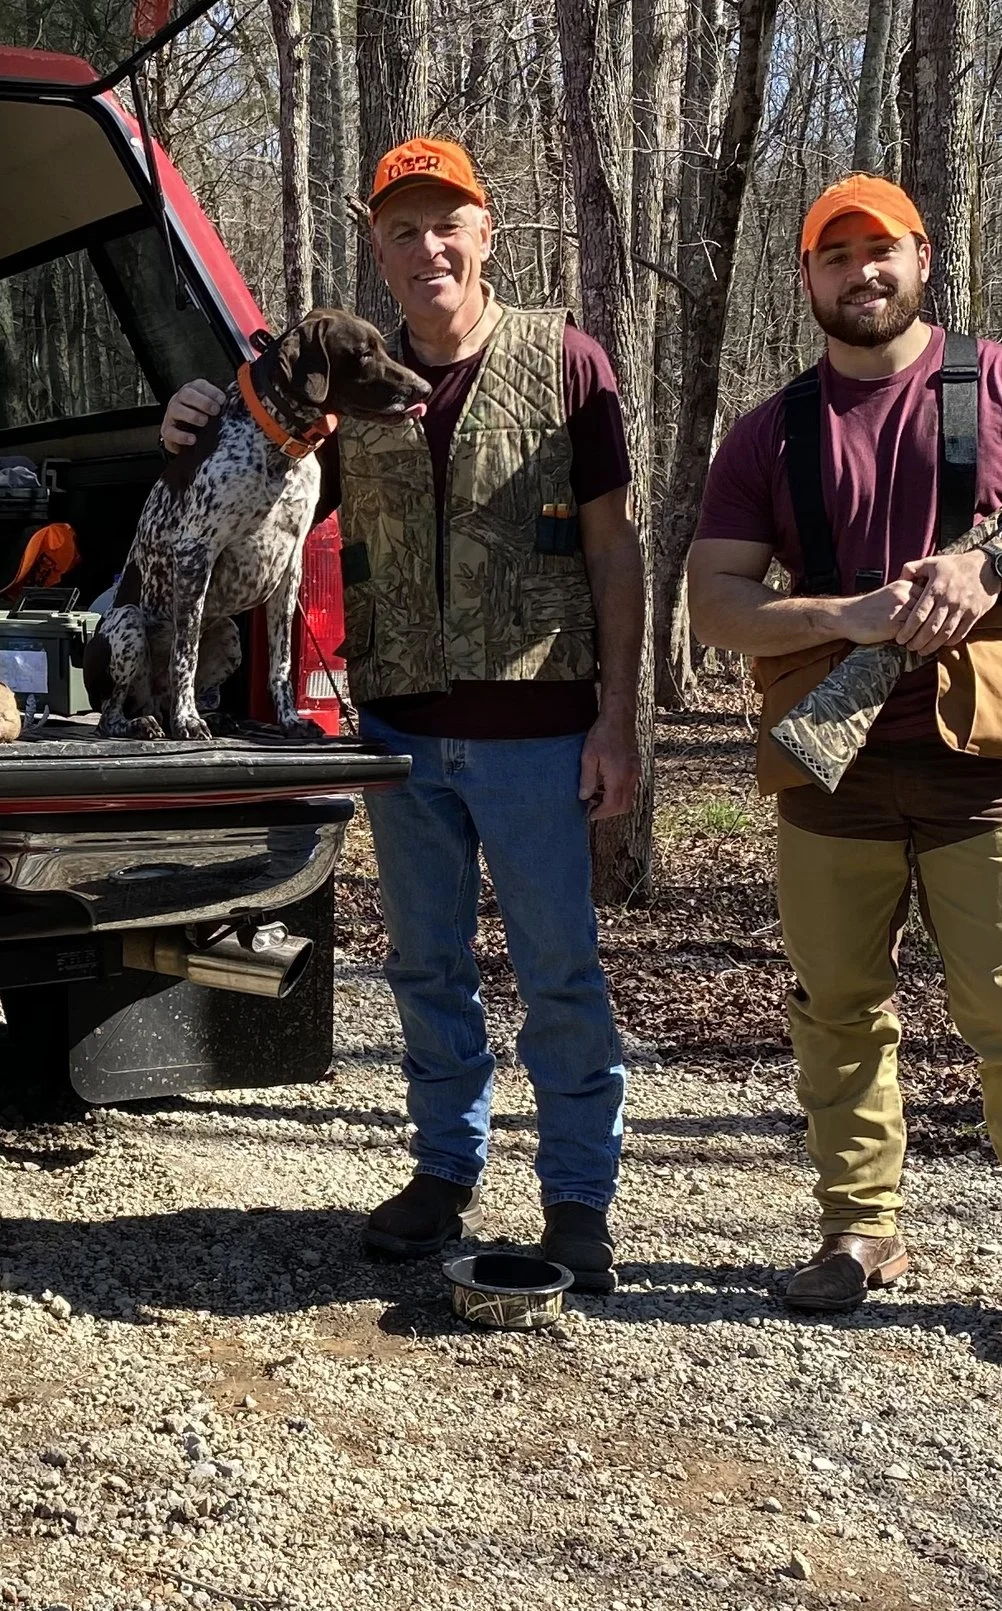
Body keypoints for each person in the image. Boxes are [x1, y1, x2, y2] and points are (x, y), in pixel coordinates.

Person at [161, 138, 642, 1286]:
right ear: (377, 250)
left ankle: (577, 1199)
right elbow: (237, 439)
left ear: (485, 234)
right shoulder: (341, 377)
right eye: (401, 228)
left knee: (560, 970)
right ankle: (444, 1170)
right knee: (426, 967)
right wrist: (186, 406)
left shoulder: (566, 360)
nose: (426, 245)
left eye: (446, 222)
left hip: (538, 727)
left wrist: (620, 718)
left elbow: (615, 545)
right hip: (400, 735)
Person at [685, 174, 1002, 1359]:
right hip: (828, 774)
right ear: (808, 278)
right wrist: (849, 615)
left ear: (921, 258)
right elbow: (718, 603)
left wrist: (997, 567)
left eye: (881, 250)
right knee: (834, 1010)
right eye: (836, 256)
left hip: (983, 770)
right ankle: (860, 1231)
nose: (860, 272)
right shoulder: (769, 431)